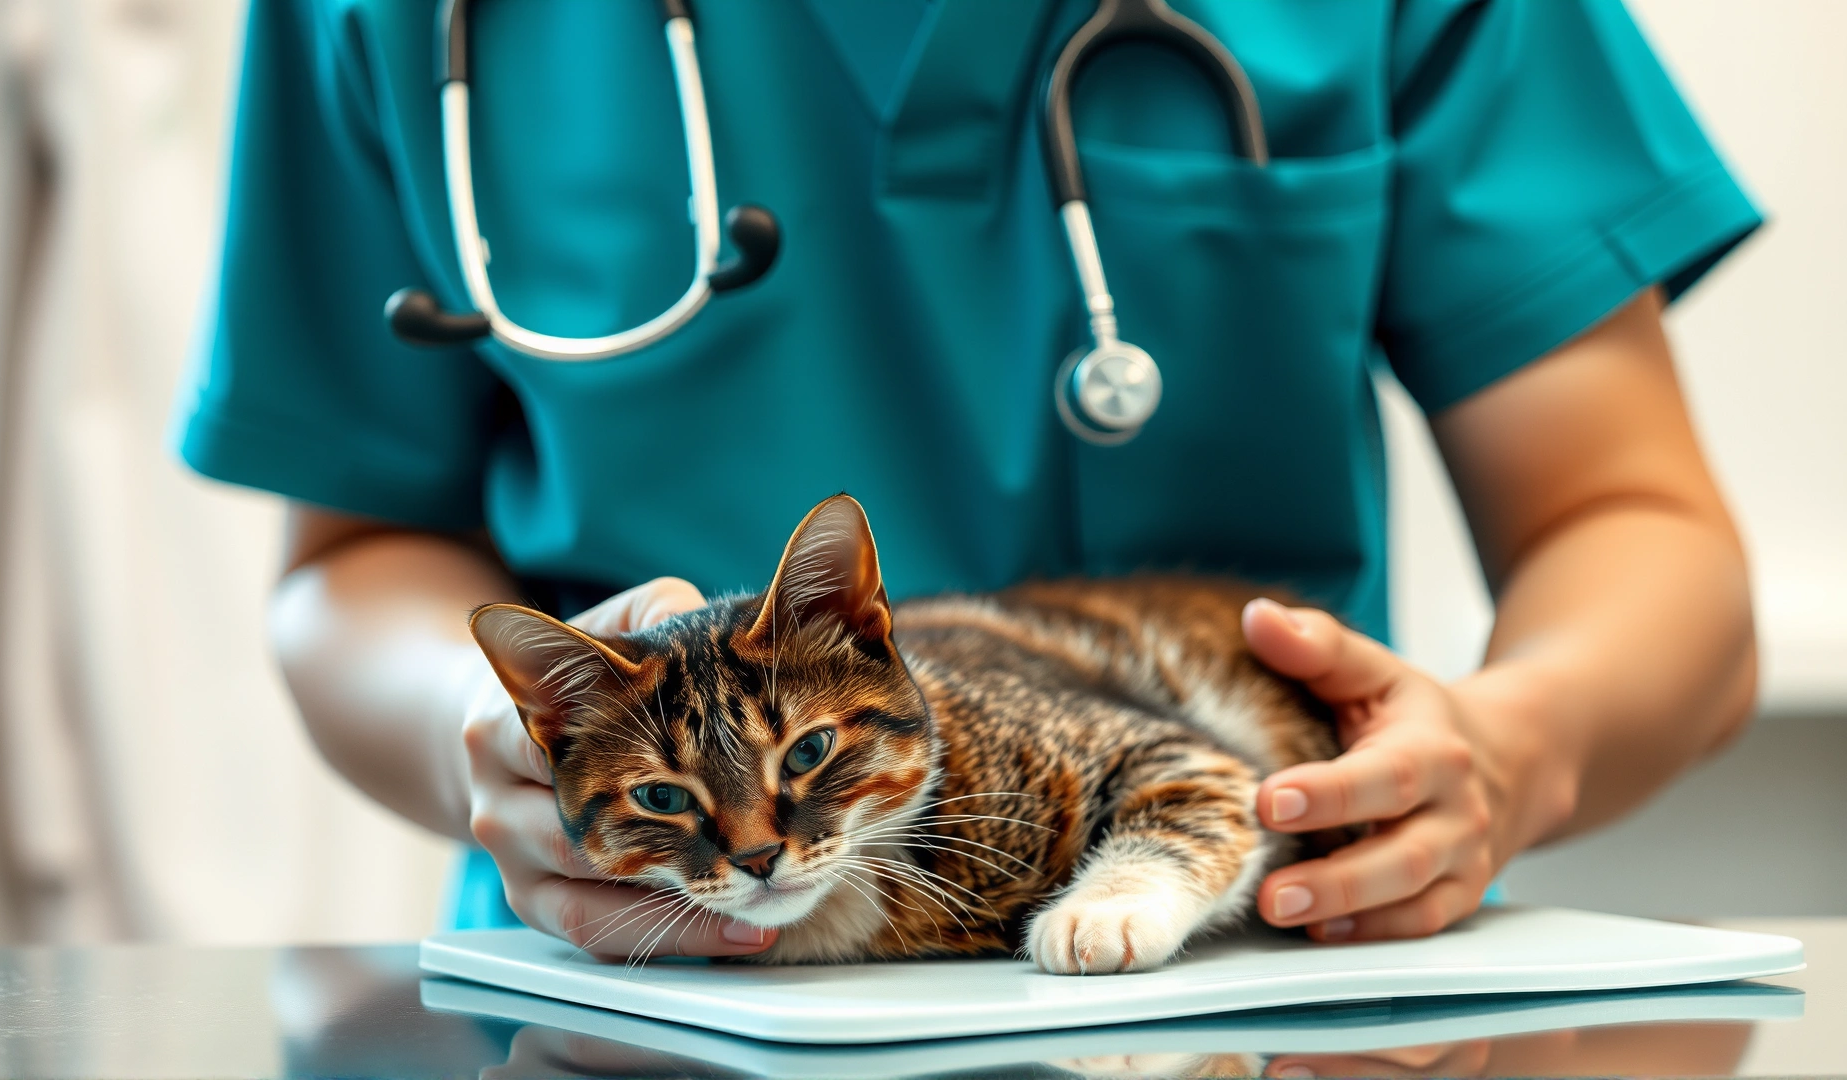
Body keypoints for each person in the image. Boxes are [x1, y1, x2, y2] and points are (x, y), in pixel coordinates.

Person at [181, 0, 1761, 958]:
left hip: (1248, 961)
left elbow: (1631, 531)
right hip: (661, 982)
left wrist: (1506, 748)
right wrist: (503, 758)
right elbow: (352, 562)